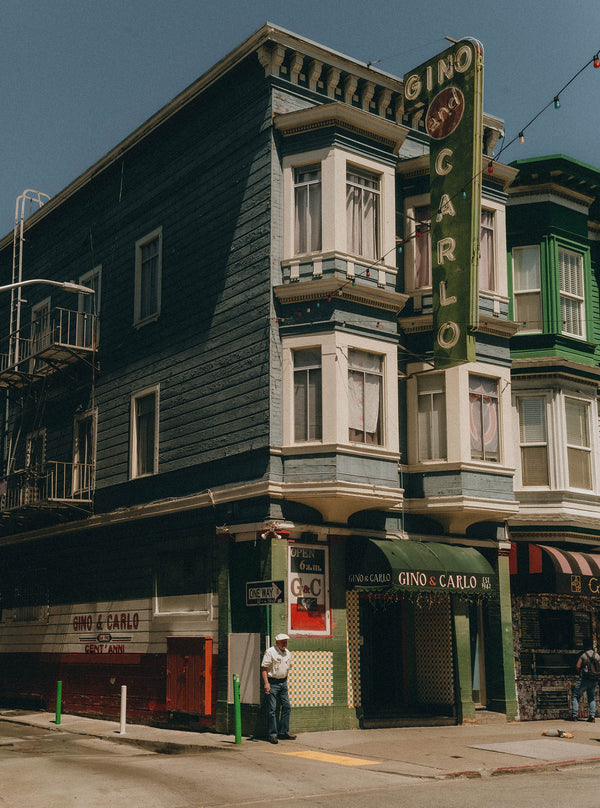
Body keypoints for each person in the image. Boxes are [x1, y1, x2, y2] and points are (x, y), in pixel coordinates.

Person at [261, 633, 296, 744]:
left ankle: (283, 732)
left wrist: (285, 682)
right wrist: (266, 683)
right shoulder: (270, 652)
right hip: (272, 683)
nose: (284, 644)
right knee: (272, 709)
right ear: (277, 642)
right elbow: (264, 668)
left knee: (287, 707)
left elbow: (287, 669)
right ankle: (272, 734)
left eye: (285, 641)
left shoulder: (288, 653)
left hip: (282, 683)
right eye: (282, 642)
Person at [569, 647, 600, 722]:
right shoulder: (597, 656)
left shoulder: (583, 655)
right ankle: (592, 716)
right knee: (591, 697)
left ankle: (574, 715)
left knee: (576, 696)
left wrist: (580, 673)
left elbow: (578, 666)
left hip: (584, 679)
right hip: (594, 680)